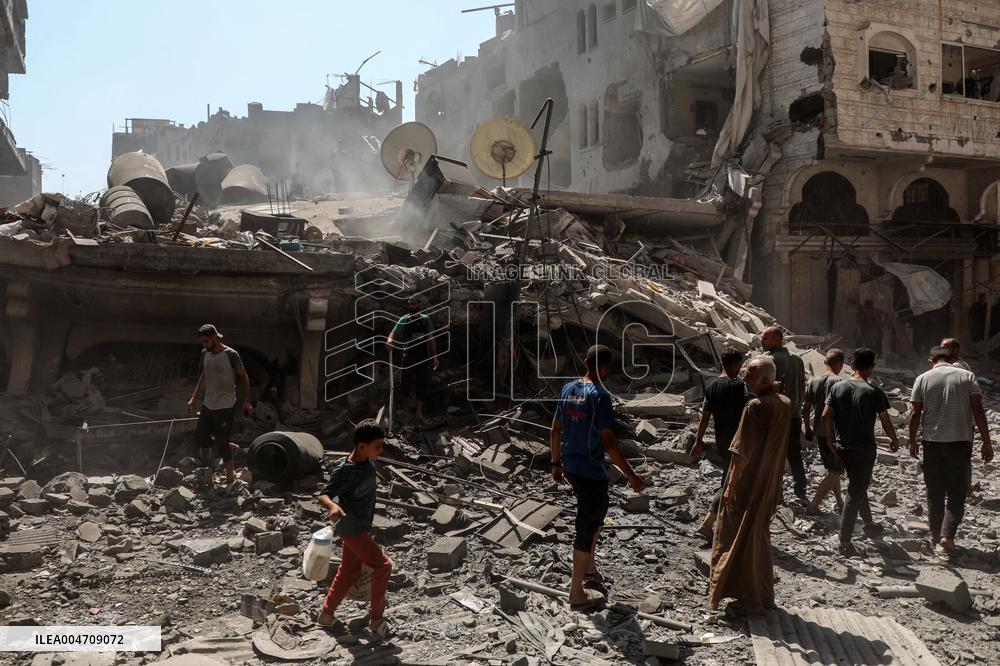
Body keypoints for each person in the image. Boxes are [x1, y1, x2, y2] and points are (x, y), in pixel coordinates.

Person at [550, 345, 647, 610]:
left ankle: (589, 568)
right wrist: (632, 475)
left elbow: (556, 428)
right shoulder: (601, 397)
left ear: (585, 362)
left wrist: (555, 463)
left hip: (570, 465)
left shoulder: (568, 388)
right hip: (590, 471)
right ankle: (576, 592)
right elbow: (609, 442)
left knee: (597, 514)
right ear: (606, 368)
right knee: (587, 525)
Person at [709, 355, 790, 615]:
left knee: (735, 541)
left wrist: (730, 488)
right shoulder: (785, 403)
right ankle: (764, 596)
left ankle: (748, 600)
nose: (745, 379)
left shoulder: (754, 406)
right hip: (769, 485)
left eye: (751, 375)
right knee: (758, 539)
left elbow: (740, 455)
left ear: (766, 380)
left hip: (749, 486)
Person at [908, 346, 994, 554]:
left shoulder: (923, 378)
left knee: (934, 492)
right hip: (960, 443)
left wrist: (912, 441)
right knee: (957, 492)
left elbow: (914, 413)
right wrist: (986, 441)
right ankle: (947, 536)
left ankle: (936, 536)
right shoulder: (967, 376)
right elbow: (977, 409)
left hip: (932, 442)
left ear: (932, 361)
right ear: (951, 358)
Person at [316, 419, 393, 638]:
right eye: (377, 446)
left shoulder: (367, 459)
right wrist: (332, 506)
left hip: (360, 525)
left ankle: (326, 615)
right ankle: (376, 620)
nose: (381, 450)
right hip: (351, 527)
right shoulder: (345, 470)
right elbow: (323, 494)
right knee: (383, 566)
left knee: (349, 571)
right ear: (361, 447)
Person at [822, 348, 898, 556]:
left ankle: (869, 524)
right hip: (864, 449)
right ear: (872, 367)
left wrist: (830, 442)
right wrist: (893, 439)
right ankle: (844, 542)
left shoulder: (838, 387)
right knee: (855, 492)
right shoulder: (873, 391)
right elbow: (885, 419)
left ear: (852, 365)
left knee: (858, 483)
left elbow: (825, 415)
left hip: (841, 447)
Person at [688, 350, 750, 542]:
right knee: (729, 482)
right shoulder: (738, 386)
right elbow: (751, 409)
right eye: (739, 365)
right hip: (738, 442)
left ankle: (727, 524)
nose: (740, 370)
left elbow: (705, 418)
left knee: (733, 480)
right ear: (733, 365)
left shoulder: (712, 387)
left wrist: (698, 441)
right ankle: (708, 524)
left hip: (721, 441)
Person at [187, 324, 252, 485]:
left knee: (222, 447)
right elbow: (204, 376)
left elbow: (244, 377)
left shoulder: (231, 355)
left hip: (225, 406)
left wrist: (247, 400)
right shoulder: (205, 353)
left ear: (215, 338)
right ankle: (225, 445)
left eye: (206, 341)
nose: (204, 345)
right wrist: (194, 398)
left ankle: (231, 478)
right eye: (202, 342)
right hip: (209, 404)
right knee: (201, 437)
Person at [761, 326, 807, 502]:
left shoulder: (769, 360)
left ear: (776, 340)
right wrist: (798, 405)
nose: (762, 341)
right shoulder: (797, 359)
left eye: (765, 338)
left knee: (772, 452)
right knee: (794, 452)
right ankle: (800, 488)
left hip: (775, 415)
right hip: (794, 415)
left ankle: (775, 490)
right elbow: (803, 387)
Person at [804, 349, 846, 515]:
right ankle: (814, 506)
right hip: (834, 433)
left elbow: (806, 408)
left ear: (825, 362)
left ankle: (839, 502)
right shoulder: (840, 382)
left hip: (819, 431)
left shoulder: (814, 381)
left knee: (832, 469)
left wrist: (807, 427)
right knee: (836, 470)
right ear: (841, 364)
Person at [386, 297, 439, 425]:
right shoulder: (404, 319)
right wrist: (389, 340)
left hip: (423, 356)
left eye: (414, 303)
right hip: (409, 356)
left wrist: (435, 356)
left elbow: (430, 338)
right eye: (409, 304)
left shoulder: (425, 320)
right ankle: (406, 410)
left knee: (423, 383)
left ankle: (419, 412)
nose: (411, 305)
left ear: (419, 304)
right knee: (406, 383)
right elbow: (393, 332)